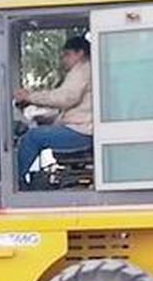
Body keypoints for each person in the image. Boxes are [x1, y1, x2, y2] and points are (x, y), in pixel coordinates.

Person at [13, 36, 93, 184]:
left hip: (81, 132)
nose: (63, 60)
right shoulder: (86, 70)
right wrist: (43, 117)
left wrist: (29, 97)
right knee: (38, 132)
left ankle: (14, 184)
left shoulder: (82, 70)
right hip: (81, 128)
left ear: (80, 53)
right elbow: (70, 107)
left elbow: (65, 98)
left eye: (67, 55)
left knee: (32, 138)